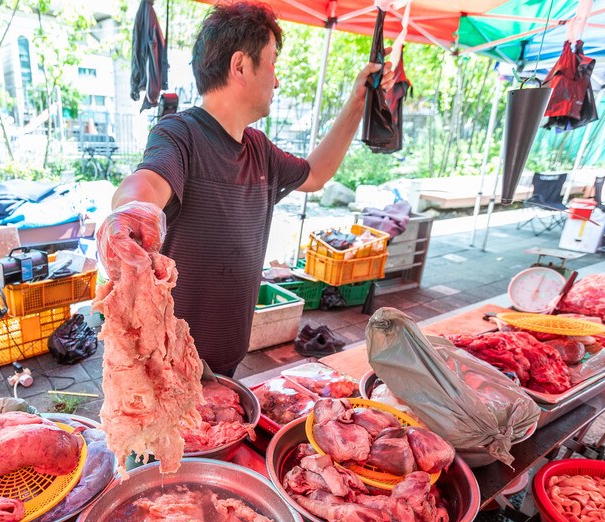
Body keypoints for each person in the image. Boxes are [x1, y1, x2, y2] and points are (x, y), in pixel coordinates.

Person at [102, 1, 394, 377]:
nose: (276, 80)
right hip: (168, 368)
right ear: (240, 66)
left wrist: (357, 102)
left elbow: (316, 174)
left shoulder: (261, 150)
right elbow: (147, 182)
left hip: (227, 360)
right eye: (272, 63)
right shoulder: (180, 134)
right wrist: (127, 213)